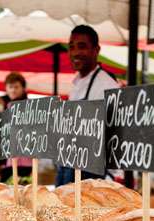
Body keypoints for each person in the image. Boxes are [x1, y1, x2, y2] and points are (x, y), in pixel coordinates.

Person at [55, 24, 120, 186]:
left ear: (96, 50)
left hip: (91, 172)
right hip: (68, 164)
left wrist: (109, 180)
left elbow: (115, 136)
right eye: (71, 47)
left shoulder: (107, 86)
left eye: (82, 46)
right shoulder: (76, 84)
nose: (75, 52)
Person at [0, 72, 32, 183]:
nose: (13, 90)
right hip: (8, 159)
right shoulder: (6, 106)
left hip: (24, 160)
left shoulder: (29, 106)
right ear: (6, 88)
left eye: (16, 87)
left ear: (23, 88)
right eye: (10, 87)